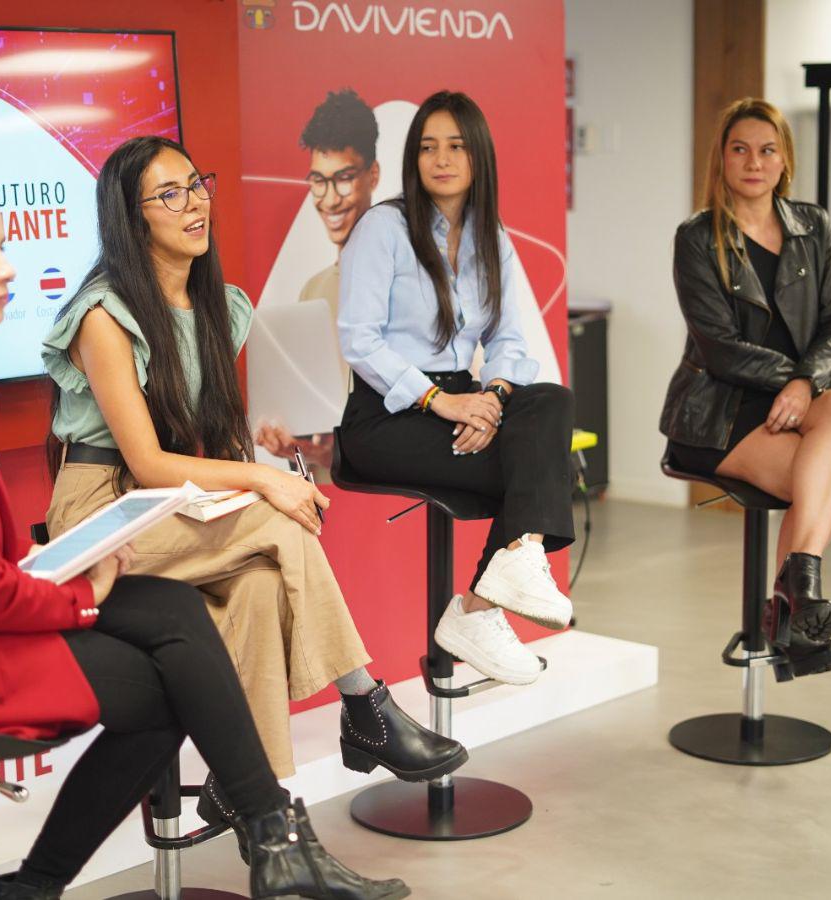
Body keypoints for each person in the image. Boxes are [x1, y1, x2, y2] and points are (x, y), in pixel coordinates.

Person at [0, 176, 408, 900]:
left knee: (175, 612)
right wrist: (83, 593)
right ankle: (247, 846)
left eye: (0, 246)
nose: (8, 268)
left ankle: (272, 842)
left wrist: (71, 579)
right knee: (171, 684)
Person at [42, 136, 466, 831]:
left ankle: (256, 803)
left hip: (170, 505)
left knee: (263, 584)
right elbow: (147, 461)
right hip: (103, 513)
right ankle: (367, 707)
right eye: (169, 194)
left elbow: (212, 433)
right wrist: (262, 487)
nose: (194, 204)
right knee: (277, 520)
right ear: (131, 216)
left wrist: (273, 457)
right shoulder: (103, 315)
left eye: (196, 183)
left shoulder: (218, 306)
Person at [337, 90, 577, 687]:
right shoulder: (383, 228)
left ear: (479, 158)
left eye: (456, 146)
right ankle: (485, 604)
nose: (441, 159)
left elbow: (511, 343)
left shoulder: (490, 238)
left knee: (552, 400)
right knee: (537, 469)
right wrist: (440, 402)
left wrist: (492, 401)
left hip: (466, 400)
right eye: (427, 147)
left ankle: (482, 603)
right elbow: (359, 340)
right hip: (387, 416)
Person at [660, 97, 831, 678]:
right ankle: (791, 616)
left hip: (796, 400)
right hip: (719, 413)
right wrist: (798, 385)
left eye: (767, 150)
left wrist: (805, 384)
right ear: (722, 160)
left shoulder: (813, 226)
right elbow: (718, 345)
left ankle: (792, 601)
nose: (754, 161)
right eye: (740, 149)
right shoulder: (697, 238)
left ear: (784, 160)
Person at [255, 88, 381, 477]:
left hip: (390, 487)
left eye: (343, 179)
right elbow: (312, 417)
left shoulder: (409, 280)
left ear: (372, 175)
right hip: (331, 486)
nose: (330, 199)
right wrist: (293, 441)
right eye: (318, 181)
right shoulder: (315, 290)